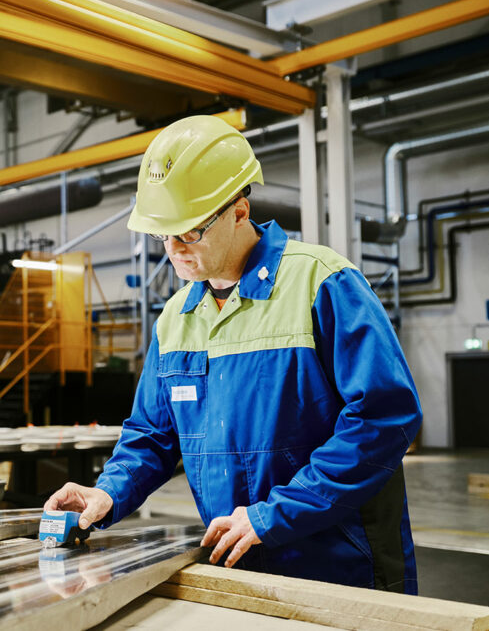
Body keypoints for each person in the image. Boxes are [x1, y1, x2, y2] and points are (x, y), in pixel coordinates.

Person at [45, 115, 422, 594]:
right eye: (163, 236)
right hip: (236, 564)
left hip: (340, 564)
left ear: (239, 212)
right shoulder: (176, 318)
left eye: (189, 233)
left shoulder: (322, 283)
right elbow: (152, 435)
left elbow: (383, 418)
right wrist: (108, 492)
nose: (174, 251)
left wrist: (274, 514)